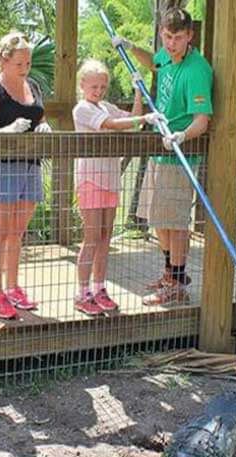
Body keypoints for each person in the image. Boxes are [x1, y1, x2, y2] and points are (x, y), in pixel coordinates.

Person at [112, 8, 213, 306]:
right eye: (167, 37)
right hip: (160, 154)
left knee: (175, 222)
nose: (171, 44)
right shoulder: (167, 56)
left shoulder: (196, 69)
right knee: (159, 219)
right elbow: (154, 63)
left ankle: (177, 282)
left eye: (178, 38)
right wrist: (130, 47)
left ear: (190, 36)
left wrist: (182, 135)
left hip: (179, 154)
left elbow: (202, 120)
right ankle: (171, 274)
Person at [71, 59, 155, 315]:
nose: (98, 91)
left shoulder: (105, 106)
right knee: (92, 236)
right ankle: (82, 292)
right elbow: (112, 124)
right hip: (90, 179)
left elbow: (133, 121)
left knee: (106, 237)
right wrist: (144, 116)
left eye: (103, 87)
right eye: (94, 86)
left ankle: (99, 287)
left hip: (110, 179)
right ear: (83, 85)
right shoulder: (82, 109)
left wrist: (139, 91)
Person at [0, 32, 50, 320]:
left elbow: (40, 117)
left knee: (17, 232)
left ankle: (13, 286)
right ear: (4, 60)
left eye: (28, 63)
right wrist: (10, 131)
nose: (25, 68)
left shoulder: (32, 85)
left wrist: (45, 127)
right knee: (0, 231)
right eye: (20, 63)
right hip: (2, 166)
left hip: (31, 165)